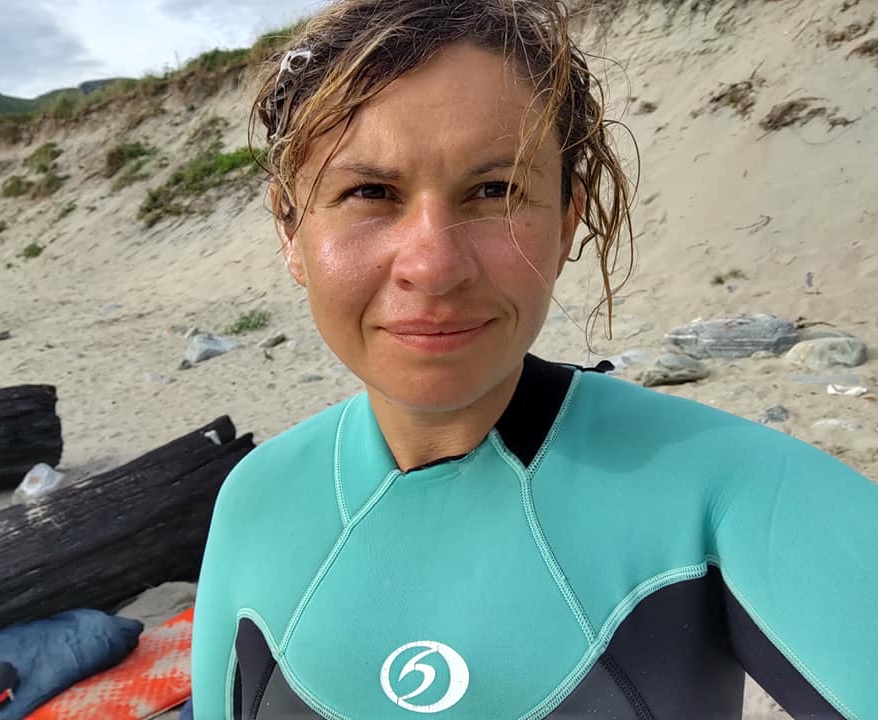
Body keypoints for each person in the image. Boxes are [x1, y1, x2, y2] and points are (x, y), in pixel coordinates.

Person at [192, 1, 878, 718]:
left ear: (567, 219)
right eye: (370, 192)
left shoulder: (727, 491)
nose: (433, 266)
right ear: (289, 229)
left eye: (495, 190)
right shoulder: (254, 501)